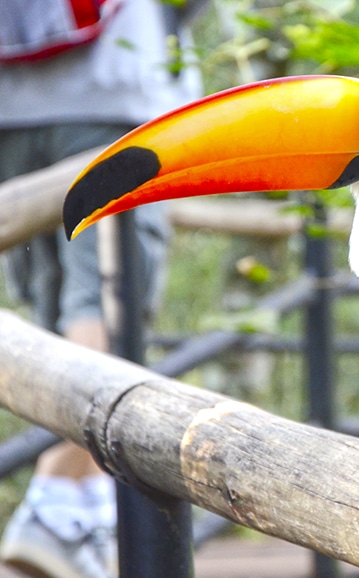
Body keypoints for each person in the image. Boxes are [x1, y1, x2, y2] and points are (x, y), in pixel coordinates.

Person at [0, 1, 204, 576]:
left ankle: (85, 507)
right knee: (106, 302)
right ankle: (54, 500)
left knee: (50, 307)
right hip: (112, 95)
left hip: (9, 110)